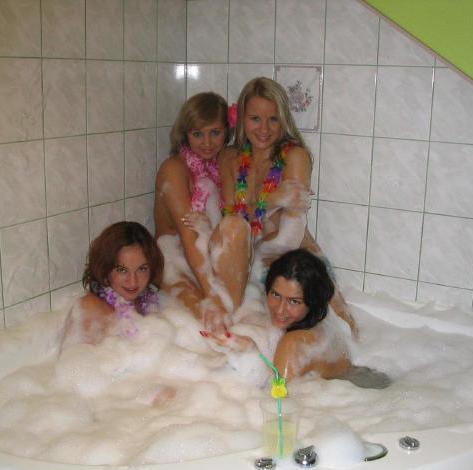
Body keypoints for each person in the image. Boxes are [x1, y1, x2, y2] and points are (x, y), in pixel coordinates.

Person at [217, 77, 358, 338]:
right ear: (242, 119)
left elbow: (289, 236)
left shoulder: (295, 157)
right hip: (245, 265)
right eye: (255, 118)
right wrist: (272, 199)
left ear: (283, 120)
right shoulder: (228, 157)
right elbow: (230, 219)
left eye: (273, 119)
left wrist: (260, 215)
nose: (264, 129)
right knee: (240, 331)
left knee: (342, 332)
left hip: (294, 264)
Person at [154, 92, 251, 340]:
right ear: (185, 134)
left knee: (235, 319)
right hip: (176, 265)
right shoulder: (174, 169)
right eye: (197, 134)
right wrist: (212, 297)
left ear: (226, 131)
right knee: (209, 325)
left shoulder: (219, 165)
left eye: (215, 132)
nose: (207, 142)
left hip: (209, 262)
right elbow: (190, 239)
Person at [265, 249, 390, 388]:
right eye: (275, 294)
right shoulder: (327, 323)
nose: (280, 309)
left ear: (312, 302)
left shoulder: (292, 345)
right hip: (364, 382)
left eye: (294, 301)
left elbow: (278, 399)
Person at [62, 221, 164, 346]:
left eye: (142, 269)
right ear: (105, 269)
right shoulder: (90, 309)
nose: (133, 281)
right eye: (122, 270)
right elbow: (76, 357)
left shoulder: (147, 302)